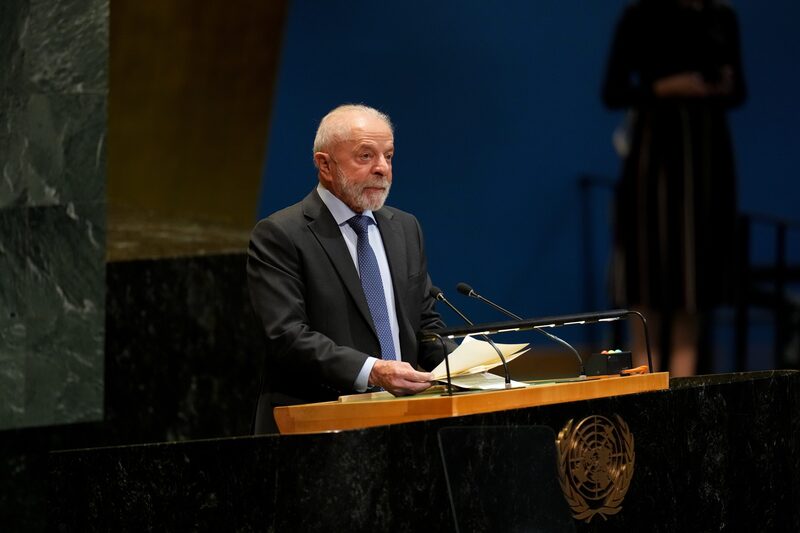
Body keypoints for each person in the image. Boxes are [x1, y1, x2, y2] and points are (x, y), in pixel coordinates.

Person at [247, 104, 452, 433]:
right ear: (325, 165)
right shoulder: (281, 234)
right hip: (315, 427)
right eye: (366, 156)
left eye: (389, 156)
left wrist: (466, 367)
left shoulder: (405, 228)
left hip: (404, 424)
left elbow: (424, 323)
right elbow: (286, 337)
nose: (382, 169)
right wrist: (373, 371)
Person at [602, 0, 746, 376]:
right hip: (656, 157)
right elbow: (613, 90)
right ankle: (645, 382)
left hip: (705, 158)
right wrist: (664, 87)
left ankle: (682, 392)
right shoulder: (641, 15)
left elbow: (739, 90)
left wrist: (718, 85)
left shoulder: (720, 16)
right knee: (646, 274)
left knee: (693, 282)